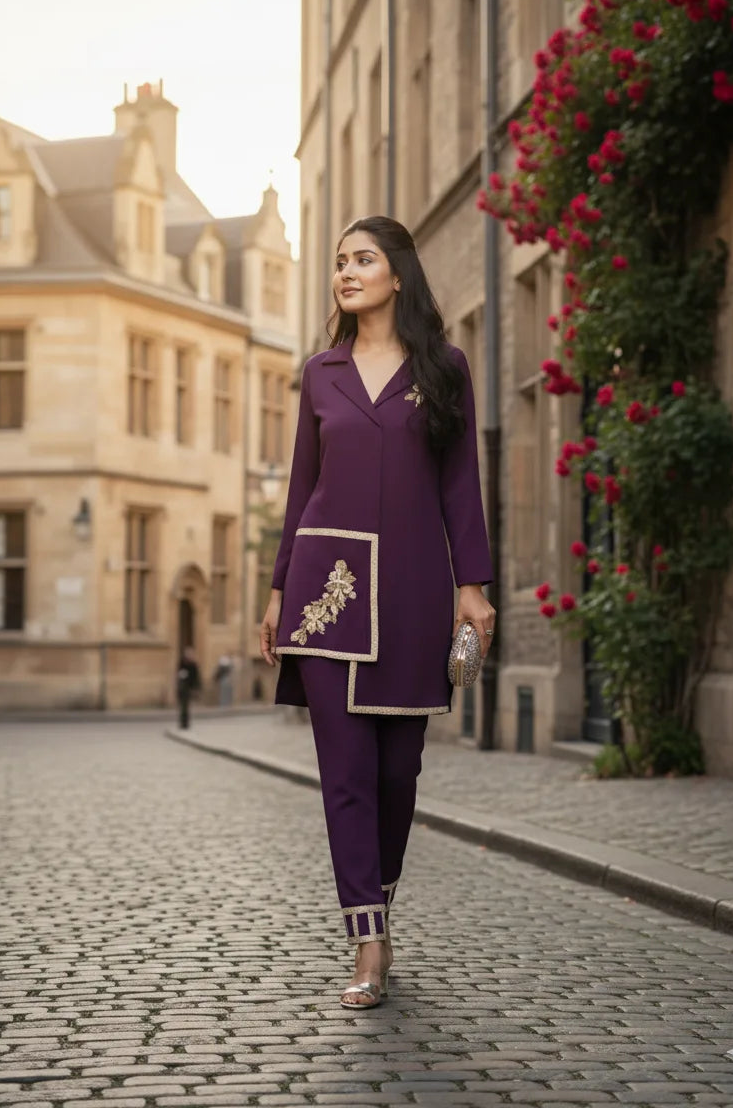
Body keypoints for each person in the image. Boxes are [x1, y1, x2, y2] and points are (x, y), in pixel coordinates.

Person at [260, 215, 495, 1010]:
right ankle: (368, 938)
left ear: (398, 273)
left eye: (363, 259)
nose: (347, 272)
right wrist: (278, 589)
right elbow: (302, 487)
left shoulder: (444, 368)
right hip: (323, 595)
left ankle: (380, 905)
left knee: (399, 772)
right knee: (347, 776)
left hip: (413, 590)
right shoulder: (320, 373)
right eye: (339, 262)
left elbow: (460, 485)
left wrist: (473, 585)